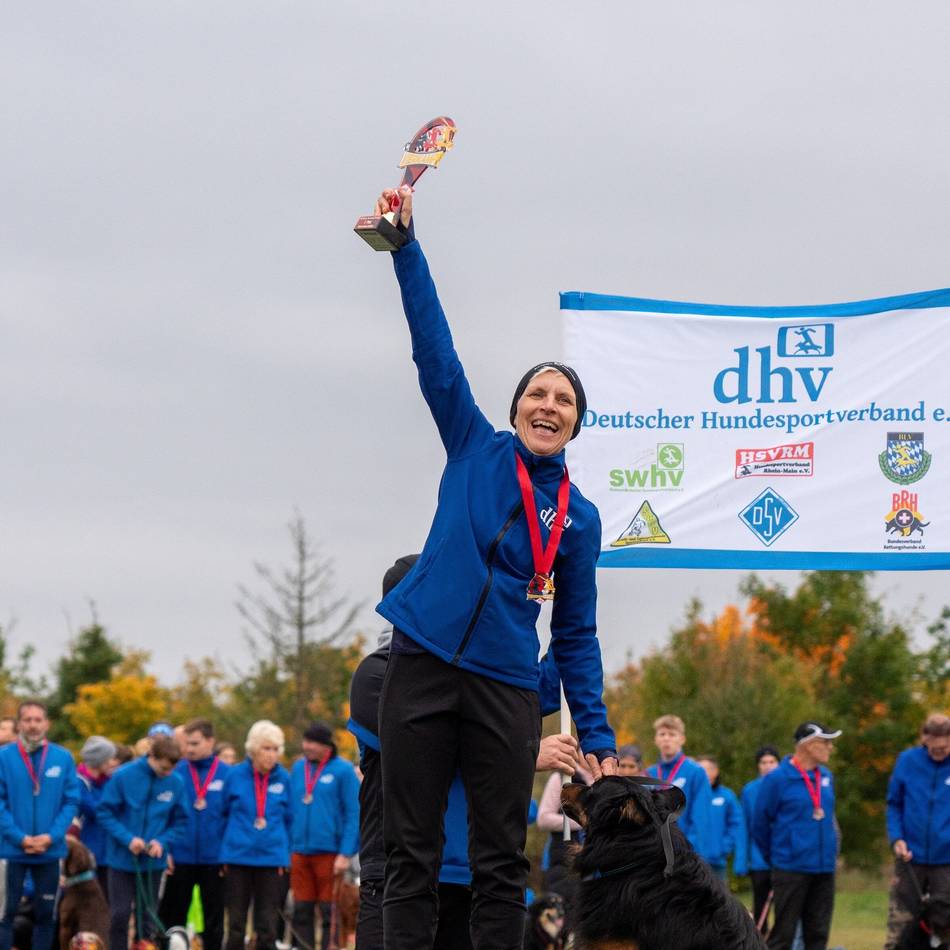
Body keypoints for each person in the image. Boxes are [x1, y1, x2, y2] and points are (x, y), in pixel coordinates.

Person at [369, 184, 616, 950]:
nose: (549, 404)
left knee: (500, 863)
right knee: (410, 854)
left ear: (575, 424)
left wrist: (598, 735)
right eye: (537, 393)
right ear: (515, 410)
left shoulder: (579, 518)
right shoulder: (473, 447)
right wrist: (406, 249)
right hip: (422, 663)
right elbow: (434, 352)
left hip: (506, 688)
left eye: (564, 400)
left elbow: (575, 635)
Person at [348, 552, 580, 950]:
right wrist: (523, 754)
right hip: (396, 876)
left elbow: (539, 688)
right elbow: (422, 750)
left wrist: (569, 614)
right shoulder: (377, 674)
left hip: (471, 877)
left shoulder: (479, 677)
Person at [0, 700, 81, 950]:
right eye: (28, 720)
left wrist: (52, 836)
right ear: (19, 724)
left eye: (38, 720)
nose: (33, 725)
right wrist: (19, 838)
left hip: (49, 850)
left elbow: (71, 801)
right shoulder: (4, 757)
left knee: (46, 915)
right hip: (11, 850)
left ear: (47, 723)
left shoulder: (62, 757)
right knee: (5, 914)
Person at [753, 721, 841, 950]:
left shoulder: (826, 777)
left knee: (818, 935)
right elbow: (760, 824)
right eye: (826, 743)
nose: (831, 748)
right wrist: (778, 856)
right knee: (783, 935)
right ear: (809, 745)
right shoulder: (777, 779)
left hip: (824, 869)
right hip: (790, 868)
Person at [97, 733, 188, 950]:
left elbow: (181, 821)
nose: (167, 773)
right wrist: (128, 839)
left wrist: (162, 842)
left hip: (153, 862)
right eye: (163, 768)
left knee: (148, 917)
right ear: (151, 756)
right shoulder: (124, 776)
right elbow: (105, 812)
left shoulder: (175, 782)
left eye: (171, 769)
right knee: (119, 915)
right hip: (122, 859)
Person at [219, 720, 292, 950]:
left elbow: (290, 819)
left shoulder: (284, 778)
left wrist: (285, 855)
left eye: (275, 749)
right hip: (238, 857)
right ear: (253, 749)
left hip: (271, 859)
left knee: (267, 924)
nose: (271, 755)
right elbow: (222, 814)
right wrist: (224, 852)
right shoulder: (234, 775)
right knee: (236, 923)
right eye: (266, 748)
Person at [289, 721, 360, 950]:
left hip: (330, 853)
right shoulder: (298, 768)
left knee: (330, 911)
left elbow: (353, 813)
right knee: (301, 910)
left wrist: (346, 852)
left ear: (326, 746)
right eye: (305, 741)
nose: (307, 746)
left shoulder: (343, 770)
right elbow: (289, 809)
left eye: (313, 742)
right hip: (300, 851)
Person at [160, 718, 230, 950]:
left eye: (195, 743)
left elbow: (232, 817)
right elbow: (165, 813)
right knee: (172, 917)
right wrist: (167, 849)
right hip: (180, 856)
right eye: (187, 743)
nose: (189, 749)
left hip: (214, 859)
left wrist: (226, 854)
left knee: (214, 920)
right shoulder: (176, 772)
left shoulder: (227, 774)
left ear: (210, 742)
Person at [883, 712, 950, 949]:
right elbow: (894, 804)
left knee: (945, 928)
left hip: (946, 861)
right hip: (910, 858)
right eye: (934, 748)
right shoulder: (907, 761)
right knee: (901, 924)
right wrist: (897, 838)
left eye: (945, 748)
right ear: (925, 739)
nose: (939, 752)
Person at [645, 715, 713, 860]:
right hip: (656, 853)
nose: (666, 738)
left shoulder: (696, 772)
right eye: (662, 734)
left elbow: (701, 817)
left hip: (686, 851)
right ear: (655, 739)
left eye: (672, 734)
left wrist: (689, 850)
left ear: (682, 739)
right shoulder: (649, 774)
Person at [736, 744, 781, 933]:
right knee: (761, 907)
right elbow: (744, 826)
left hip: (783, 859)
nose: (768, 766)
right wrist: (741, 860)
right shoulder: (749, 790)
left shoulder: (786, 787)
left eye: (772, 762)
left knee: (784, 906)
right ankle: (759, 940)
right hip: (758, 861)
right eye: (763, 762)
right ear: (758, 765)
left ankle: (782, 943)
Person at [76, 735, 117, 898]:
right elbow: (94, 810)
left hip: (108, 851)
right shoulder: (78, 782)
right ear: (99, 761)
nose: (113, 763)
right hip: (87, 849)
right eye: (109, 759)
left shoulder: (109, 781)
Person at [697, 754, 747, 880]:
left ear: (716, 771)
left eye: (707, 769)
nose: (703, 773)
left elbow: (737, 824)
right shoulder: (688, 796)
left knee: (718, 892)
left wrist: (723, 847)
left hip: (716, 863)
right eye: (700, 770)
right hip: (691, 861)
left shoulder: (726, 795)